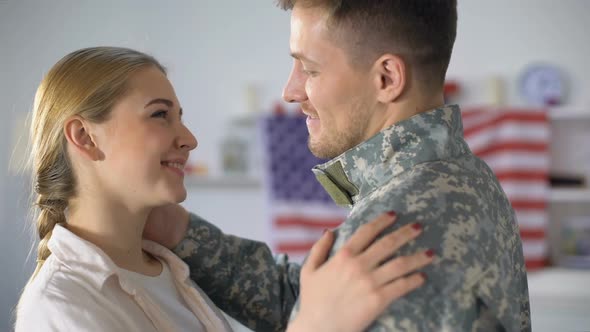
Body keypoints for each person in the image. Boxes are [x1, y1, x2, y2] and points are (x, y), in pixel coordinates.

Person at [145, 1, 531, 331]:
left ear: (387, 78)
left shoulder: (397, 226)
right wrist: (179, 230)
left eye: (310, 69)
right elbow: (318, 300)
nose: (290, 92)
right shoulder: (464, 174)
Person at [15, 46, 434, 332]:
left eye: (179, 116)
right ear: (85, 137)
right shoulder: (60, 308)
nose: (189, 138)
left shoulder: (172, 271)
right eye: (160, 115)